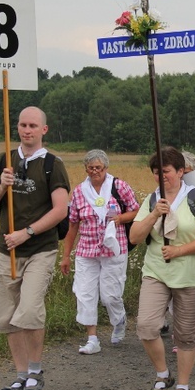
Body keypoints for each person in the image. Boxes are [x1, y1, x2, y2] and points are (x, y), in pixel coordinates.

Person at [0, 106, 70, 390]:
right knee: (7, 317)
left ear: (44, 129)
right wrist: (1, 186)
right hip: (5, 250)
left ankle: (35, 373)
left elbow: (60, 210)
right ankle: (20, 376)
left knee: (29, 310)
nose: (26, 130)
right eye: (22, 125)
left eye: (32, 125)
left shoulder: (52, 165)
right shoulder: (4, 159)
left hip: (39, 249)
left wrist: (27, 232)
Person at [129, 146, 195, 390]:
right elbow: (134, 237)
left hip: (190, 273)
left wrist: (178, 250)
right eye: (157, 173)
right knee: (146, 326)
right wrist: (155, 213)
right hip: (156, 271)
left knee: (185, 334)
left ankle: (183, 385)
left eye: (166, 171)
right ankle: (162, 374)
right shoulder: (152, 200)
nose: (161, 177)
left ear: (181, 171)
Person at [60, 150, 139, 355]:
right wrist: (66, 255)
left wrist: (121, 219)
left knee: (109, 295)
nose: (95, 171)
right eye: (91, 167)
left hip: (113, 248)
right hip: (86, 249)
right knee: (85, 293)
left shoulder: (119, 186)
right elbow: (73, 225)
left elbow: (136, 210)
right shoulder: (79, 191)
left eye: (99, 168)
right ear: (85, 168)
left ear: (106, 168)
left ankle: (119, 319)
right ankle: (92, 338)